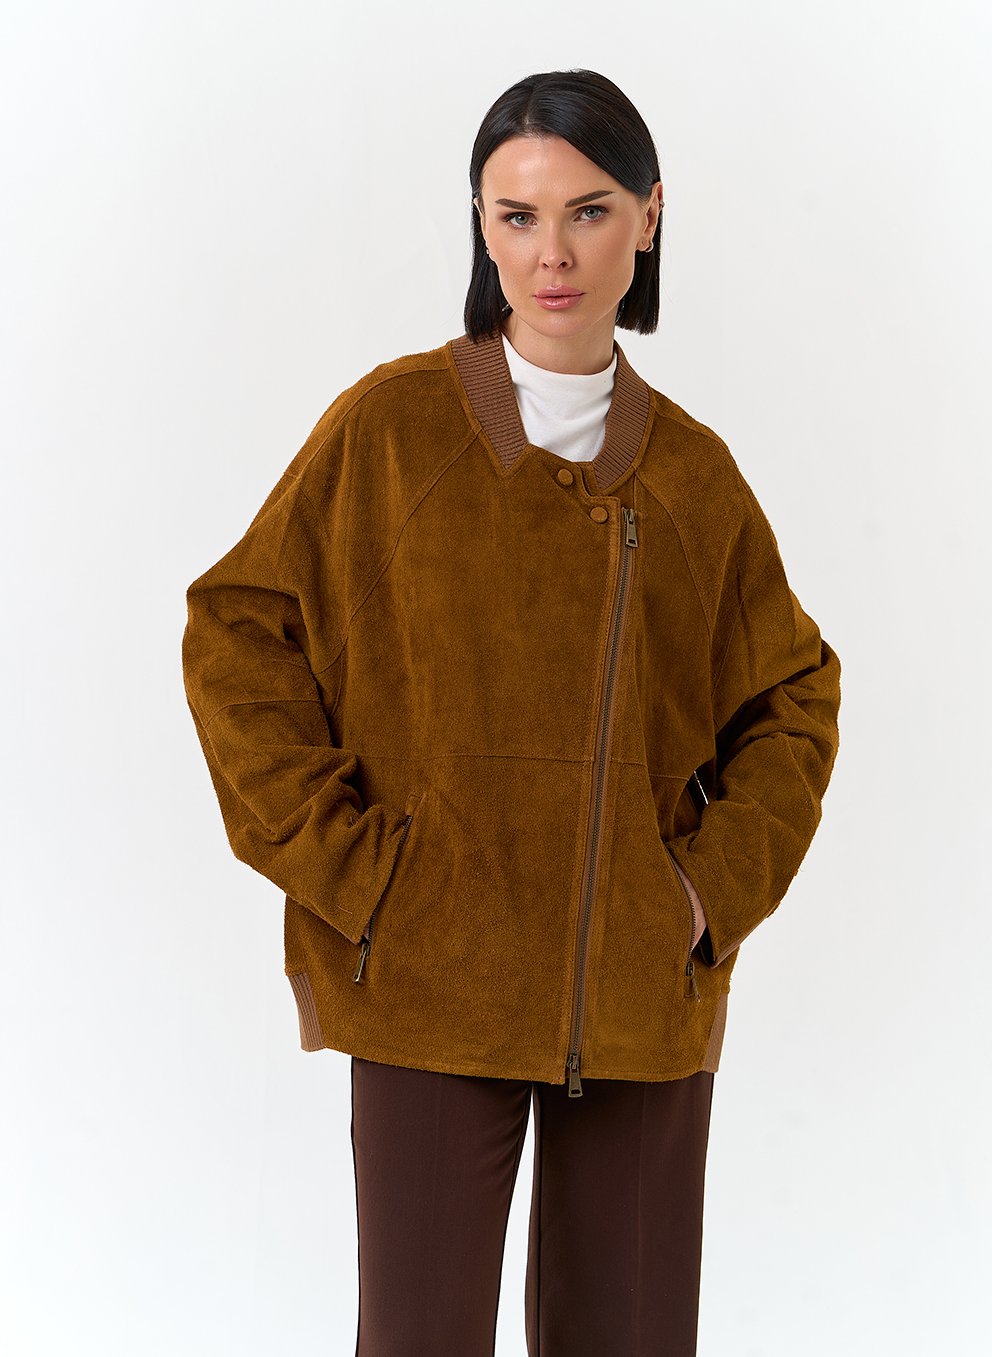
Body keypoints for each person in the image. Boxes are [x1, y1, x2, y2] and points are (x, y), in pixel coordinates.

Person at [183, 68, 840, 1357]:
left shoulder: (695, 478)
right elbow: (238, 632)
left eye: (589, 212)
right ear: (482, 227)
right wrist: (363, 874)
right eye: (517, 216)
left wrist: (702, 897)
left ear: (649, 216)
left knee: (629, 1338)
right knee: (419, 1337)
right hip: (432, 976)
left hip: (641, 995)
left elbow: (793, 698)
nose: (554, 256)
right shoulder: (391, 431)